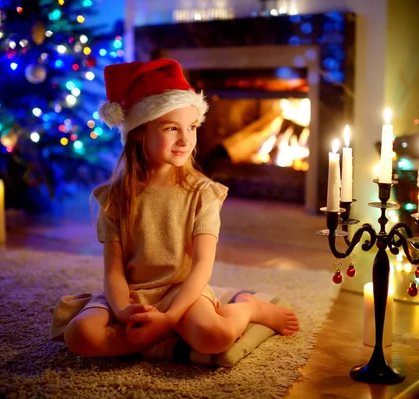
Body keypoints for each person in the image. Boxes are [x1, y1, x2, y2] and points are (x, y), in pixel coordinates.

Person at [51, 58, 299, 357]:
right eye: (171, 128)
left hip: (181, 294)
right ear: (139, 131)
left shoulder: (203, 194)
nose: (185, 139)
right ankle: (159, 332)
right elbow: (114, 273)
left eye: (192, 127)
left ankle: (248, 308)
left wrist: (169, 316)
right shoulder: (114, 198)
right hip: (131, 294)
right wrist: (122, 309)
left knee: (215, 337)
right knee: (80, 335)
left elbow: (201, 268)